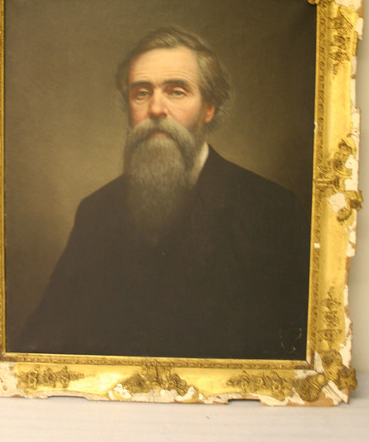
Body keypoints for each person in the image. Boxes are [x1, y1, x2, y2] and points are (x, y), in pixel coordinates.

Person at [17, 26, 310, 360]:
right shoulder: (96, 212)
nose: (156, 108)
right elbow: (43, 341)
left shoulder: (273, 212)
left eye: (176, 92)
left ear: (209, 108)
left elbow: (293, 351)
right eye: (141, 93)